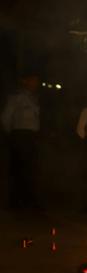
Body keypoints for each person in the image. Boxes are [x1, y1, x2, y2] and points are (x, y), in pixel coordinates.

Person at [2, 72, 41, 209]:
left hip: (32, 136)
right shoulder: (17, 97)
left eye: (36, 81)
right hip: (19, 135)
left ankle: (28, 200)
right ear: (26, 82)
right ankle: (15, 200)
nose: (35, 84)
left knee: (31, 170)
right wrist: (12, 134)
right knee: (18, 169)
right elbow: (6, 117)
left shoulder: (35, 99)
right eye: (33, 81)